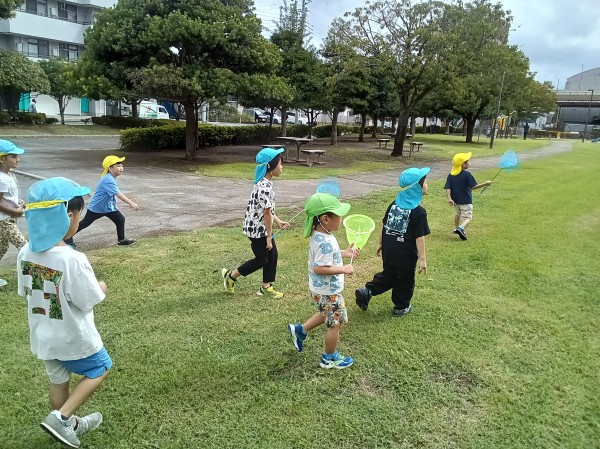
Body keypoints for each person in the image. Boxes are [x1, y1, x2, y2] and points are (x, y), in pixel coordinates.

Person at [18, 177, 111, 448]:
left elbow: (26, 290)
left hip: (45, 336)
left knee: (58, 381)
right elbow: (88, 299)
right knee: (101, 367)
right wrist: (101, 287)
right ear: (68, 216)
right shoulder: (73, 259)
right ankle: (61, 418)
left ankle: (68, 425)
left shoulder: (25, 251)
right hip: (73, 337)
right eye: (79, 214)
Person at [287, 192, 357, 369]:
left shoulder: (321, 235)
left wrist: (345, 253)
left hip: (321, 289)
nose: (341, 218)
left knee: (326, 312)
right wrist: (344, 269)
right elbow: (320, 268)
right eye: (338, 215)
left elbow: (328, 255)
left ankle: (300, 330)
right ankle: (329, 358)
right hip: (328, 290)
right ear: (325, 219)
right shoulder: (324, 241)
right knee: (335, 323)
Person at [355, 167, 430, 317]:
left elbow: (385, 225)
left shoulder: (393, 204)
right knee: (405, 280)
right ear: (417, 187)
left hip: (389, 251)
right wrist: (422, 259)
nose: (427, 185)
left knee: (389, 275)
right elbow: (419, 237)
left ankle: (367, 291)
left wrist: (380, 243)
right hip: (406, 255)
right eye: (425, 182)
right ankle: (401, 306)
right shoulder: (419, 212)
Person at [221, 148, 289, 298]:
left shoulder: (265, 183)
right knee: (262, 259)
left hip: (260, 227)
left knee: (272, 255)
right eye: (280, 164)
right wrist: (269, 236)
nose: (282, 167)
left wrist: (278, 221)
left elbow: (267, 209)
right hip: (257, 230)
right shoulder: (264, 187)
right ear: (270, 166)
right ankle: (231, 276)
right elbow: (266, 213)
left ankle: (266, 287)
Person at [65, 155, 140, 247]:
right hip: (97, 207)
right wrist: (131, 203)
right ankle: (67, 237)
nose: (121, 168)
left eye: (122, 166)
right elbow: (118, 194)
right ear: (110, 168)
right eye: (118, 166)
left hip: (108, 207)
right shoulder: (108, 179)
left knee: (120, 219)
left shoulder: (110, 177)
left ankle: (121, 240)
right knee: (85, 223)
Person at [444, 152, 492, 240]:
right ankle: (461, 228)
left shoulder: (451, 175)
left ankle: (456, 228)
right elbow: (473, 187)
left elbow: (448, 187)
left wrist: (449, 198)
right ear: (463, 164)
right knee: (468, 217)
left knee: (457, 214)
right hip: (466, 201)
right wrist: (485, 184)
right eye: (468, 161)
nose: (469, 163)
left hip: (455, 201)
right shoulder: (467, 174)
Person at [0, 140, 27, 287]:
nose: (18, 159)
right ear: (2, 159)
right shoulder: (2, 179)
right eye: (14, 156)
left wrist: (19, 203)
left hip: (8, 218)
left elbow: (8, 198)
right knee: (24, 246)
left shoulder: (8, 174)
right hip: (5, 221)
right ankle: (31, 278)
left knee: (2, 248)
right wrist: (15, 211)